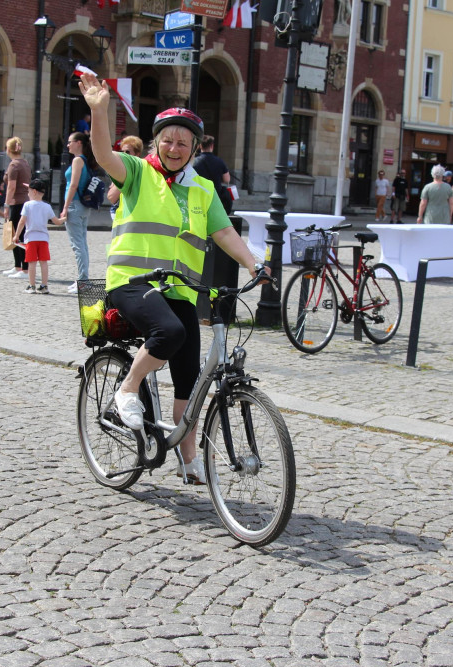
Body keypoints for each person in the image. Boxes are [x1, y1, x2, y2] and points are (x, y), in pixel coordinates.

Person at [77, 71, 267, 485]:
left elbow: (224, 233)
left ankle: (186, 461)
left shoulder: (202, 188)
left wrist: (253, 263)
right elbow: (103, 156)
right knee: (169, 333)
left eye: (183, 142)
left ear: (195, 148)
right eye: (167, 140)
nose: (174, 148)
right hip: (131, 282)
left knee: (189, 379)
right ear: (155, 142)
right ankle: (127, 388)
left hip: (179, 288)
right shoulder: (137, 172)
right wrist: (99, 111)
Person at [60, 131, 94, 293]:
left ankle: (83, 281)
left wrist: (65, 207)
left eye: (70, 141)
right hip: (82, 205)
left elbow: (73, 185)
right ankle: (83, 279)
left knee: (77, 245)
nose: (68, 145)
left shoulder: (77, 160)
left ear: (79, 143)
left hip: (74, 204)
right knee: (82, 244)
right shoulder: (84, 160)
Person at [15, 177, 62, 293]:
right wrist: (64, 218)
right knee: (43, 262)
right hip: (43, 238)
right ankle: (44, 286)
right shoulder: (47, 206)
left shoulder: (27, 205)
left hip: (31, 238)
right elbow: (56, 221)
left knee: (32, 263)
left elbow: (22, 221)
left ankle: (32, 286)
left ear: (34, 191)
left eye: (29, 191)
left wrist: (16, 235)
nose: (28, 193)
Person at [0, 136, 32, 279]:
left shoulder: (14, 165)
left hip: (16, 202)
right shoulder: (24, 163)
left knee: (16, 235)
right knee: (17, 234)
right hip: (24, 200)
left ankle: (24, 269)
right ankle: (18, 266)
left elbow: (11, 187)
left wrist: (6, 204)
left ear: (9, 149)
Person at [192, 135, 233, 215]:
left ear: (200, 146)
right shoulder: (219, 161)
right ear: (212, 146)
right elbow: (227, 179)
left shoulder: (194, 162)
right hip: (216, 196)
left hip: (198, 196)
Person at [107, 135, 145, 220]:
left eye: (127, 152)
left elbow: (111, 197)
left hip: (128, 214)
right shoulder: (122, 169)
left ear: (137, 154)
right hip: (122, 212)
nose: (123, 154)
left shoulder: (134, 170)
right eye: (122, 151)